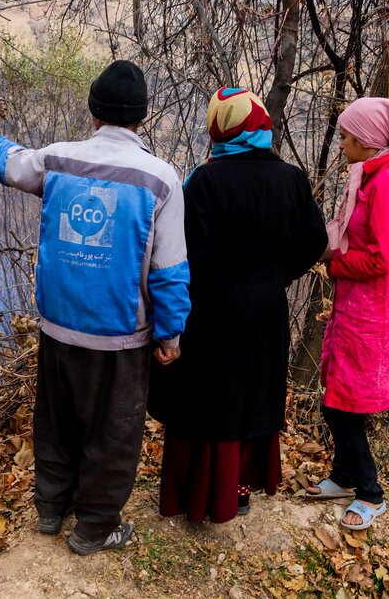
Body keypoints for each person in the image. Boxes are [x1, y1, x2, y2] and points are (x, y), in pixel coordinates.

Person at [0, 60, 190, 555]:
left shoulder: (59, 160)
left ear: (93, 111)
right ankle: (94, 527)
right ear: (141, 116)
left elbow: (8, 163)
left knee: (55, 421)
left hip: (58, 326)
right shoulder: (161, 180)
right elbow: (170, 271)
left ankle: (51, 509)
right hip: (120, 336)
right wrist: (170, 335)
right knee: (113, 433)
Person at [148, 87, 327, 524]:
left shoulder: (205, 181)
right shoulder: (291, 179)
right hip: (266, 309)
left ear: (218, 129)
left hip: (210, 312)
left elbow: (179, 250)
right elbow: (317, 243)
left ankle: (199, 495)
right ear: (261, 125)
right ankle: (240, 491)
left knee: (208, 399)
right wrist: (277, 274)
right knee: (252, 394)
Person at [306, 98, 389, 530]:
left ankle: (370, 493)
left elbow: (382, 258)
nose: (341, 144)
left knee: (347, 405)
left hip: (373, 311)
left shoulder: (387, 185)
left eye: (345, 137)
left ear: (365, 141)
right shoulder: (369, 175)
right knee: (337, 395)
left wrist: (334, 264)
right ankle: (344, 477)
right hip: (355, 304)